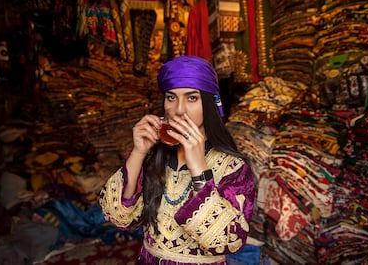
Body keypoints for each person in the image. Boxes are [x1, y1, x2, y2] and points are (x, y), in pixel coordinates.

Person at [99, 55, 256, 264]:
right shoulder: (155, 157)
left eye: (192, 98)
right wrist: (138, 152)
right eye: (171, 97)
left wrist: (198, 167)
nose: (179, 110)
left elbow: (228, 241)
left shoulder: (233, 168)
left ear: (208, 104)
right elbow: (119, 218)